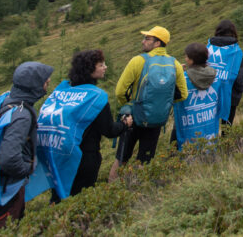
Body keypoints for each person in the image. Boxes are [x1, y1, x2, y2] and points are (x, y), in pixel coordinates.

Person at [43, 50, 132, 203]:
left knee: (59, 197)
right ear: (90, 69)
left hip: (58, 154)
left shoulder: (62, 90)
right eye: (101, 65)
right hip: (85, 156)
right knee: (81, 199)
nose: (105, 67)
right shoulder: (96, 96)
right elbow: (109, 130)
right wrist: (125, 124)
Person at [109, 26, 187, 181]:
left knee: (121, 159)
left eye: (147, 39)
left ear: (158, 43)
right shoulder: (175, 64)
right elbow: (182, 95)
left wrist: (130, 105)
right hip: (156, 120)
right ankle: (139, 194)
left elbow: (119, 91)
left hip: (133, 119)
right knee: (144, 162)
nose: (143, 41)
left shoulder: (138, 61)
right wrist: (163, 105)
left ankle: (110, 193)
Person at [0, 61, 54, 230]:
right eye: (45, 81)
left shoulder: (11, 102)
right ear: (34, 86)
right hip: (9, 187)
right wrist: (27, 169)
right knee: (5, 228)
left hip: (2, 183)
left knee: (5, 226)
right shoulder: (23, 115)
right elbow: (8, 158)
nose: (48, 84)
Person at [172, 42, 220, 149]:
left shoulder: (182, 79)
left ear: (191, 60)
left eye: (186, 56)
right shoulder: (215, 75)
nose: (185, 58)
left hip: (187, 127)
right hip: (210, 126)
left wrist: (177, 73)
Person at [206, 19, 243, 124]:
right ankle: (225, 140)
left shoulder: (208, 47)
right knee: (226, 127)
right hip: (230, 94)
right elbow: (240, 76)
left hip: (208, 93)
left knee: (209, 124)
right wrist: (238, 94)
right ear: (233, 32)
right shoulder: (236, 51)